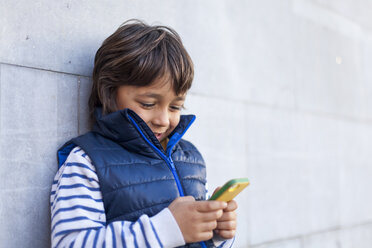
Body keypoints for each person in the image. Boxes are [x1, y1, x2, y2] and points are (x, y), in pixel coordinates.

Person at [50, 19, 237, 248]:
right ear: (109, 93)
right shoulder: (87, 161)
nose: (163, 120)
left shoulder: (190, 158)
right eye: (148, 104)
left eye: (175, 107)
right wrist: (168, 228)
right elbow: (71, 243)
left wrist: (217, 234)